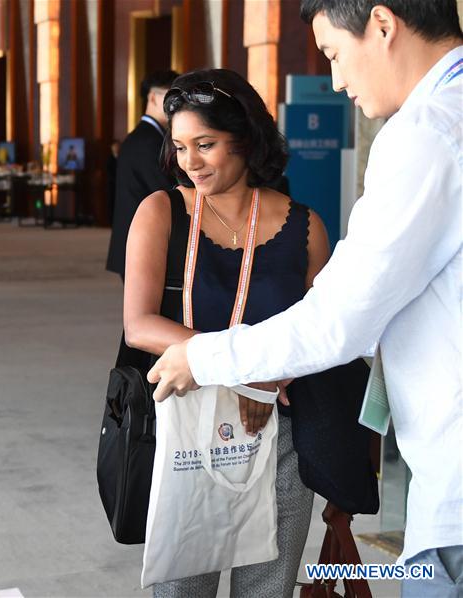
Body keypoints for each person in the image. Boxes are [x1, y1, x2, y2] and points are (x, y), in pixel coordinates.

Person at [147, 3, 463, 596]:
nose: (337, 80)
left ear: (383, 24)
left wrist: (208, 358)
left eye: (335, 55)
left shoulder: (424, 134)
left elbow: (339, 319)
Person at [126, 69, 330, 598]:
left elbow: (323, 330)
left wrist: (265, 380)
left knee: (269, 585)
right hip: (187, 427)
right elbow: (138, 324)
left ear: (245, 138)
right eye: (180, 146)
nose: (189, 161)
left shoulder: (304, 225)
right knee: (181, 588)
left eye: (205, 145)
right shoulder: (161, 211)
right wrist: (246, 372)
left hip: (278, 433)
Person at [106, 69, 180, 279]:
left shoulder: (146, 137)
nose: (176, 106)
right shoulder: (147, 141)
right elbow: (164, 188)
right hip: (140, 244)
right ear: (153, 97)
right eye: (171, 97)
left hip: (136, 241)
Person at [106, 139, 119, 226]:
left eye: (117, 146)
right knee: (111, 202)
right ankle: (110, 222)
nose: (116, 148)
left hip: (120, 184)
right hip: (112, 184)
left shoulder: (122, 156)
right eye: (114, 146)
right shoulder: (109, 159)